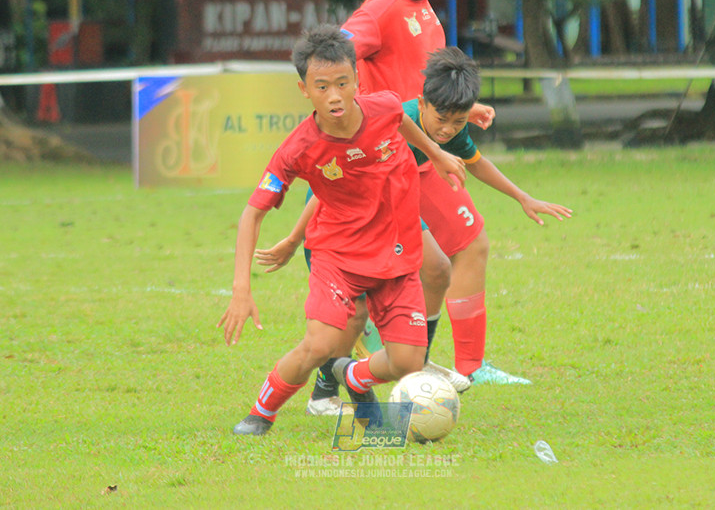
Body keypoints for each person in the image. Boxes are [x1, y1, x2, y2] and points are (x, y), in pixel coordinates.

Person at [258, 46, 572, 389]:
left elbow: (476, 161)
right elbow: (323, 192)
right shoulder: (388, 128)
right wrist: (293, 238)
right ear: (422, 105)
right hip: (342, 216)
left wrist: (522, 197)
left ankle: (420, 362)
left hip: (387, 204)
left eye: (459, 121)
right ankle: (326, 387)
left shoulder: (450, 122)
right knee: (354, 315)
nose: (450, 130)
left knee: (438, 268)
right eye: (444, 120)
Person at [218, 25, 466, 436]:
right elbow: (252, 214)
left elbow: (404, 123)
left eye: (342, 83)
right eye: (321, 86)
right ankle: (261, 412)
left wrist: (437, 153)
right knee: (320, 345)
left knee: (407, 362)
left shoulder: (384, 106)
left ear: (356, 80)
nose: (334, 95)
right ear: (304, 90)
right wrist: (242, 289)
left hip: (398, 254)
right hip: (338, 257)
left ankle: (352, 377)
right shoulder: (297, 149)